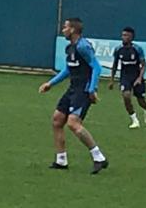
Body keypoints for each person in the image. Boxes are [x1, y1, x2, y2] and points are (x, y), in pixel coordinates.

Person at [39, 18, 108, 174]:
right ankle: (61, 160)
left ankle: (99, 157)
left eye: (65, 27)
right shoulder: (70, 48)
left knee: (73, 123)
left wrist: (92, 89)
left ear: (73, 30)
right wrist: (51, 83)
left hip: (83, 90)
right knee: (57, 120)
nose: (63, 30)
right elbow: (68, 69)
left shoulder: (83, 46)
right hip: (73, 89)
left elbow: (96, 67)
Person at [108, 27, 146, 129]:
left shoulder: (137, 49)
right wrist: (112, 80)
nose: (124, 37)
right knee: (126, 96)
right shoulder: (118, 49)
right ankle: (134, 120)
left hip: (136, 76)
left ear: (131, 37)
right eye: (123, 35)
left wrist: (139, 78)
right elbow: (115, 65)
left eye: (126, 35)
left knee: (141, 100)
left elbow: (144, 65)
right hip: (125, 77)